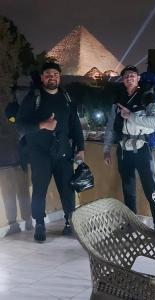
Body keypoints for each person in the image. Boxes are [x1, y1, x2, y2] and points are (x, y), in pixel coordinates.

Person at [17, 61, 84, 242]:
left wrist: (81, 149)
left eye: (55, 74)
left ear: (59, 77)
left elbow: (75, 125)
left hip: (63, 153)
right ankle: (39, 223)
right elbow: (21, 126)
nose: (52, 77)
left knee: (68, 190)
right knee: (39, 190)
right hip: (40, 154)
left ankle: (70, 222)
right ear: (42, 77)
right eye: (48, 74)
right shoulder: (33, 98)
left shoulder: (66, 98)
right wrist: (42, 125)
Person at [103, 65, 155, 231]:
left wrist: (131, 116)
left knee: (151, 190)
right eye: (126, 76)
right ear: (123, 80)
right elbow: (110, 126)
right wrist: (106, 149)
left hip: (142, 148)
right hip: (123, 150)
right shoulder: (118, 100)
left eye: (132, 75)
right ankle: (131, 224)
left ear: (138, 78)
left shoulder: (147, 97)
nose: (129, 78)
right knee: (128, 191)